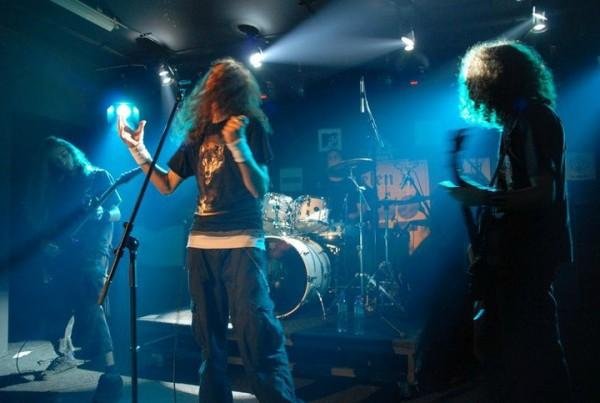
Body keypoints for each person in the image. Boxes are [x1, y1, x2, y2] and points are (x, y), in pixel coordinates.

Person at [117, 58, 299, 403]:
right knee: (208, 340)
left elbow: (259, 188)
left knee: (256, 333)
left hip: (242, 242)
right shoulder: (197, 135)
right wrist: (138, 151)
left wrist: (238, 145)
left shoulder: (248, 127)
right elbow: (166, 185)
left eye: (222, 84)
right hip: (201, 245)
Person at [443, 40, 572, 402]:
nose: (471, 90)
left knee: (535, 348)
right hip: (518, 252)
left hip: (529, 253)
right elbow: (517, 190)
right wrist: (473, 189)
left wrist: (483, 197)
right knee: (515, 346)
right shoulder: (518, 121)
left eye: (475, 81)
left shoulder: (533, 119)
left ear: (495, 79)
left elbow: (543, 193)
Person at [29, 136, 123, 400]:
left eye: (63, 154)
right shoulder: (61, 183)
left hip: (94, 251)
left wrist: (103, 214)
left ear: (72, 152)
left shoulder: (98, 176)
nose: (62, 160)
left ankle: (111, 368)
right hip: (69, 251)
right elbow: (57, 221)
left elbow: (117, 212)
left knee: (92, 303)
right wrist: (49, 243)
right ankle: (65, 354)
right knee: (60, 301)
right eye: (56, 159)